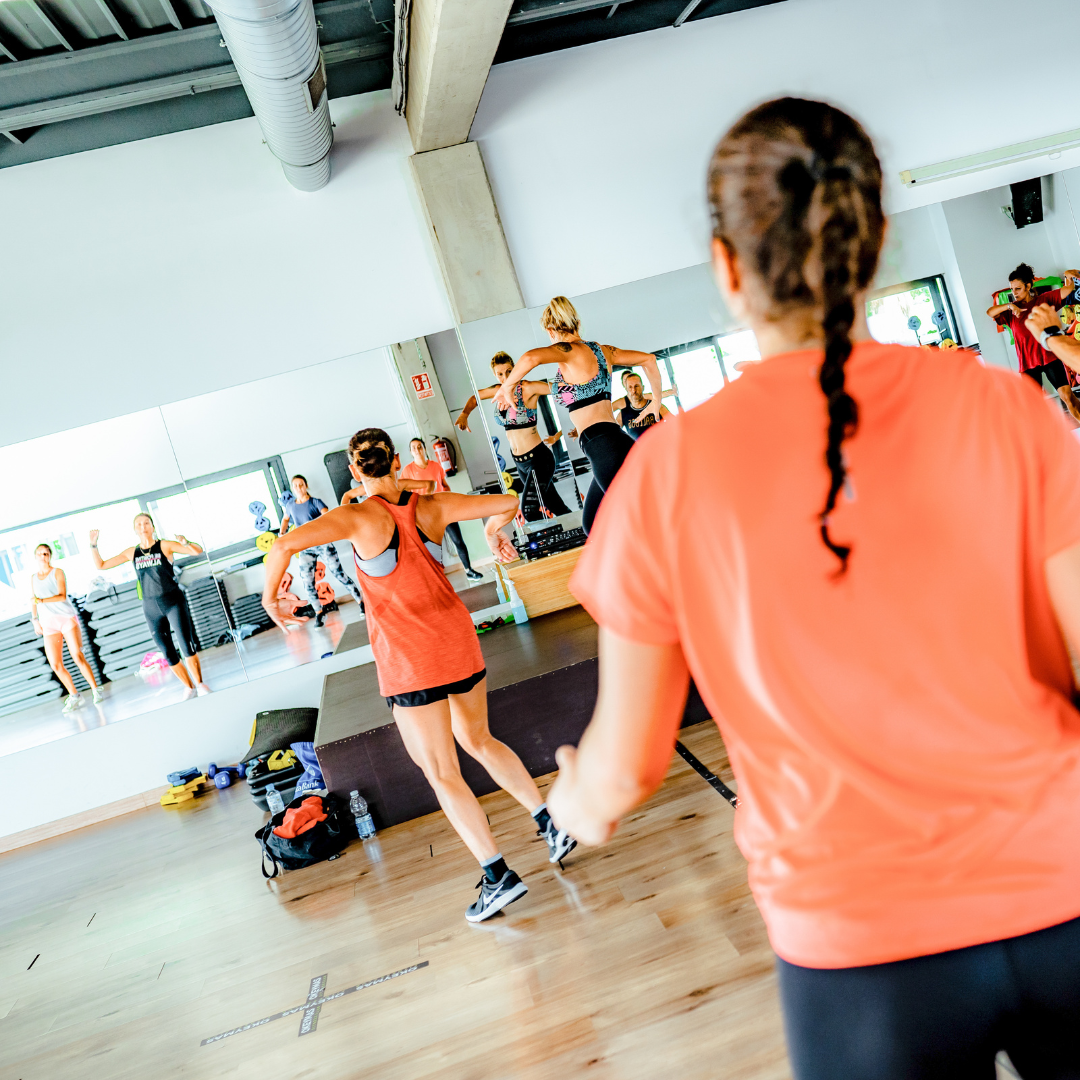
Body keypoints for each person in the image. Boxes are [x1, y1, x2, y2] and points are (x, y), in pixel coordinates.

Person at [548, 98, 1080, 1078]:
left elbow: (626, 769)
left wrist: (572, 799)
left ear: (728, 267)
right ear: (873, 241)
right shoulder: (1007, 409)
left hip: (864, 950)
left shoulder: (663, 475)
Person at [261, 428, 576, 921]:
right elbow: (508, 500)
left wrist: (269, 597)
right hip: (456, 642)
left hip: (411, 660)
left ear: (353, 466)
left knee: (441, 771)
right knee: (480, 740)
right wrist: (495, 533)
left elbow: (281, 548)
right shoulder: (433, 504)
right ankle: (550, 823)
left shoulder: (353, 516)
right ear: (393, 460)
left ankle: (498, 878)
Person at [494, 298, 664, 534]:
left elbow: (530, 358)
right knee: (592, 525)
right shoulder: (604, 351)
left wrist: (507, 387)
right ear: (577, 323)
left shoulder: (567, 350)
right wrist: (656, 401)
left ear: (550, 331)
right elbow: (649, 359)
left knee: (638, 525)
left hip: (603, 446)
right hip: (613, 442)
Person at [89, 515, 210, 696]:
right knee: (167, 651)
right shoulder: (132, 552)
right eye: (139, 524)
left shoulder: (165, 546)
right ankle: (189, 687)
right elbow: (101, 565)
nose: (143, 526)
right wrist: (93, 545)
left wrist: (186, 542)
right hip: (150, 607)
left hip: (173, 602)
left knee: (186, 645)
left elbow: (196, 551)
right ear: (135, 530)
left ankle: (200, 684)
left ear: (152, 527)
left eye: (146, 523)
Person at [457, 352, 572, 518]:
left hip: (539, 460)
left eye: (509, 371)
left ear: (516, 369)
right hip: (520, 464)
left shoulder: (527, 388)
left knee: (528, 510)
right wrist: (464, 414)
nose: (505, 377)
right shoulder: (498, 391)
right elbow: (475, 398)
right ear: (495, 375)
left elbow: (558, 389)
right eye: (500, 374)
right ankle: (585, 537)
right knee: (555, 506)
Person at [280, 475, 366, 627]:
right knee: (307, 582)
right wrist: (282, 533)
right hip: (306, 547)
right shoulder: (290, 506)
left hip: (322, 543)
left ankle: (361, 602)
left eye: (301, 485)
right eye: (295, 486)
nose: (299, 488)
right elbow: (286, 519)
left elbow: (328, 517)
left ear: (306, 486)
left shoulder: (315, 502)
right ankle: (319, 613)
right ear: (293, 489)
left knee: (339, 574)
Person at [29, 543, 103, 712]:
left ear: (50, 556)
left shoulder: (57, 572)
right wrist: (35, 619)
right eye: (40, 554)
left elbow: (62, 595)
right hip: (49, 623)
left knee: (77, 655)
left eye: (46, 554)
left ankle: (95, 689)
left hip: (66, 618)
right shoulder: (33, 578)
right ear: (36, 556)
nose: (43, 557)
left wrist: (41, 601)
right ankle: (74, 695)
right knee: (55, 664)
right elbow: (32, 599)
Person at [399, 439, 485, 580]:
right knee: (430, 547)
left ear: (425, 449)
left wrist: (450, 502)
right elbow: (404, 492)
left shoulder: (435, 466)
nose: (417, 449)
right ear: (410, 452)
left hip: (444, 510)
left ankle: (469, 570)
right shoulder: (408, 470)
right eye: (413, 448)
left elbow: (444, 485)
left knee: (458, 540)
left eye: (419, 446)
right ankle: (434, 577)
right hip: (426, 514)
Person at [986, 263, 1079, 391]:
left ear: (1028, 286)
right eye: (1012, 289)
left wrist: (1068, 275)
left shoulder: (1044, 299)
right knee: (1035, 404)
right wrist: (1009, 306)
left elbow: (1068, 290)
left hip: (1050, 358)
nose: (1014, 293)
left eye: (1017, 288)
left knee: (1067, 396)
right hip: (1027, 364)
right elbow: (990, 312)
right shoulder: (1011, 311)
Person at [611, 371, 675, 440]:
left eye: (636, 386)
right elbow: (612, 436)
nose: (634, 390)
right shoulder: (622, 414)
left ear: (643, 387)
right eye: (630, 387)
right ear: (626, 389)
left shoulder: (657, 407)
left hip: (661, 448)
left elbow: (676, 424)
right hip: (639, 450)